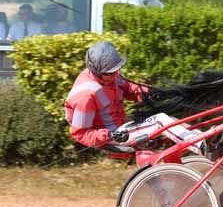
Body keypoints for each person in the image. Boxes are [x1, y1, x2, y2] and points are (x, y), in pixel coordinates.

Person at [64, 41, 205, 156]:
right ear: (97, 72)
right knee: (160, 122)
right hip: (112, 137)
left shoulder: (109, 75)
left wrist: (149, 93)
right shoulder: (85, 96)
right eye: (111, 73)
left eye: (117, 69)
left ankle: (208, 139)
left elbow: (129, 88)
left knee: (171, 121)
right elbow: (80, 133)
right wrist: (109, 134)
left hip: (124, 127)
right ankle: (201, 145)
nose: (116, 74)